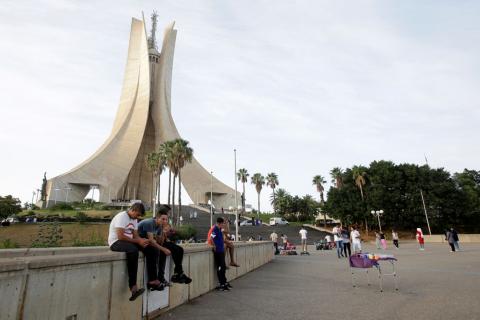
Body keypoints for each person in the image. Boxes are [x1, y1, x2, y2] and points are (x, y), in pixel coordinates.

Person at [109, 203, 155, 301]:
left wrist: (142, 241)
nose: (137, 217)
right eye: (137, 214)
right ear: (133, 210)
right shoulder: (122, 217)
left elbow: (135, 236)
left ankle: (153, 279)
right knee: (133, 251)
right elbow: (120, 236)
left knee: (150, 249)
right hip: (116, 242)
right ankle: (133, 287)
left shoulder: (134, 219)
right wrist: (138, 241)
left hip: (128, 242)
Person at [159, 210, 192, 284]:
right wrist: (163, 232)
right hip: (160, 244)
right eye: (163, 219)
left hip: (165, 242)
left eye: (166, 219)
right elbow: (160, 242)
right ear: (159, 219)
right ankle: (179, 274)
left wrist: (168, 233)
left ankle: (178, 273)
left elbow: (167, 239)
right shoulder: (157, 226)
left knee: (180, 249)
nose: (165, 221)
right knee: (175, 249)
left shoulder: (166, 226)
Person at [211, 217, 229, 291]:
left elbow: (226, 232)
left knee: (223, 267)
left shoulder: (219, 229)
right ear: (219, 223)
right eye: (222, 224)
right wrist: (214, 245)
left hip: (221, 250)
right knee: (220, 267)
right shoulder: (215, 229)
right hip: (218, 251)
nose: (223, 225)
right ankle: (221, 284)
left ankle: (224, 283)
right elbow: (211, 238)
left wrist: (227, 224)